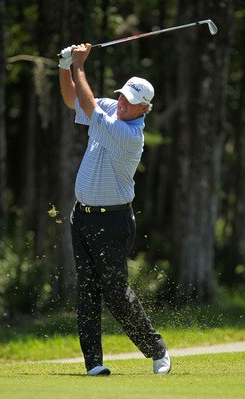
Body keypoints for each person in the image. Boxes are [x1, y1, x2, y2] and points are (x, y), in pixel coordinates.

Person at [58, 43, 171, 376]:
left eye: (131, 102)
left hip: (114, 221)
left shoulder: (129, 135)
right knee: (88, 290)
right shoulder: (111, 107)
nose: (122, 104)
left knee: (116, 294)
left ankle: (157, 350)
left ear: (145, 109)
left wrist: (79, 65)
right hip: (82, 217)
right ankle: (94, 363)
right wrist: (64, 68)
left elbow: (92, 110)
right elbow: (73, 101)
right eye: (122, 96)